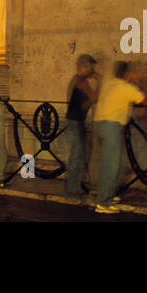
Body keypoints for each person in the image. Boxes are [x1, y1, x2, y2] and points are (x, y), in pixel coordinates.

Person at [92, 61, 147, 212]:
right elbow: (143, 100)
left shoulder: (110, 83)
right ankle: (103, 203)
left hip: (100, 125)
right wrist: (137, 83)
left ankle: (108, 194)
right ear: (128, 74)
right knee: (111, 165)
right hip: (111, 127)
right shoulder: (126, 87)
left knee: (117, 162)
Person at [63, 55, 99, 197]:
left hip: (76, 121)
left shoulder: (77, 80)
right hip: (74, 122)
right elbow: (94, 98)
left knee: (78, 155)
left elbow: (87, 102)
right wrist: (99, 81)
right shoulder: (80, 81)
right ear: (83, 67)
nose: (92, 70)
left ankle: (74, 185)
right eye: (90, 67)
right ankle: (72, 188)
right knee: (77, 155)